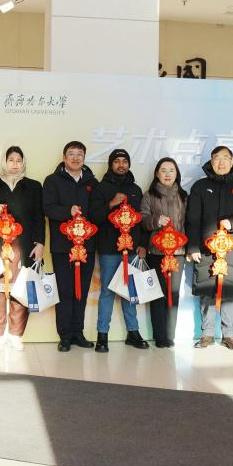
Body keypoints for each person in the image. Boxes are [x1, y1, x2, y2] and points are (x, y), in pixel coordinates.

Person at [186, 146, 233, 350]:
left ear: (232, 161)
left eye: (226, 158)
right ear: (211, 161)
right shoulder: (200, 186)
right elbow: (192, 219)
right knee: (207, 290)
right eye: (217, 158)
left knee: (230, 291)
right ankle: (207, 334)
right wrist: (193, 247)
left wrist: (232, 223)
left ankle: (229, 335)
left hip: (232, 249)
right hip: (206, 249)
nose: (221, 162)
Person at [0, 146, 44, 353]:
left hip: (24, 246)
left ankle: (16, 335)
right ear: (4, 161)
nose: (15, 164)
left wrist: (40, 243)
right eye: (11, 160)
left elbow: (39, 216)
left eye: (19, 160)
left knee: (20, 291)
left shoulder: (33, 186)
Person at [90, 148, 148, 353]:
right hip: (109, 249)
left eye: (124, 161)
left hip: (131, 249)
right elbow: (93, 218)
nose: (121, 165)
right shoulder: (100, 188)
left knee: (129, 292)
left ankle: (133, 332)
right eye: (117, 161)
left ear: (129, 164)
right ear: (111, 165)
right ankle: (102, 335)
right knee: (107, 292)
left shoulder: (136, 189)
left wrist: (142, 244)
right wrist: (112, 203)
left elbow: (141, 220)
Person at [42, 141, 98, 352]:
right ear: (64, 157)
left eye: (79, 154)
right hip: (62, 247)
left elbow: (97, 212)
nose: (75, 158)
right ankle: (65, 336)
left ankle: (78, 333)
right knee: (64, 291)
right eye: (71, 154)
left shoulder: (92, 182)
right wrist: (68, 211)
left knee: (81, 291)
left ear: (84, 158)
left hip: (87, 247)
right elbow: (48, 208)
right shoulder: (52, 180)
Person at [140, 157, 188, 348]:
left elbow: (189, 223)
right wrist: (156, 220)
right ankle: (160, 336)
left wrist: (189, 248)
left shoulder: (184, 196)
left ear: (177, 174)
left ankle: (170, 335)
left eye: (171, 170)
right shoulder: (149, 196)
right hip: (156, 253)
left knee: (173, 294)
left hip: (178, 253)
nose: (168, 174)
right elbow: (142, 220)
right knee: (157, 295)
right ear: (156, 174)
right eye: (164, 170)